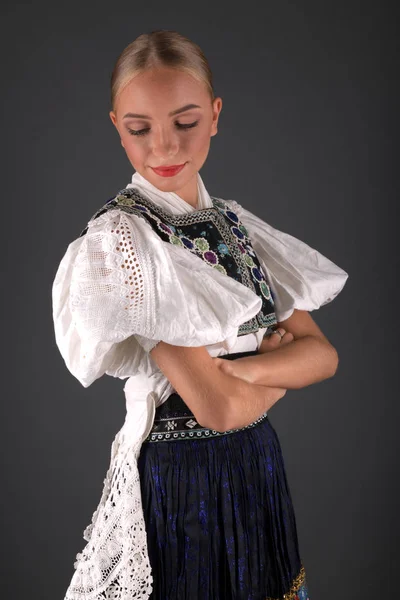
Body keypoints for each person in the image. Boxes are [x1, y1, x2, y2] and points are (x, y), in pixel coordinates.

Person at [52, 29, 348, 600]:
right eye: (140, 130)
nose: (164, 147)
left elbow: (324, 356)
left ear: (214, 115)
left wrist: (247, 371)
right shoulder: (129, 241)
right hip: (184, 478)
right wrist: (273, 365)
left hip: (255, 465)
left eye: (185, 123)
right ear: (118, 126)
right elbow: (215, 409)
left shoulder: (236, 227)